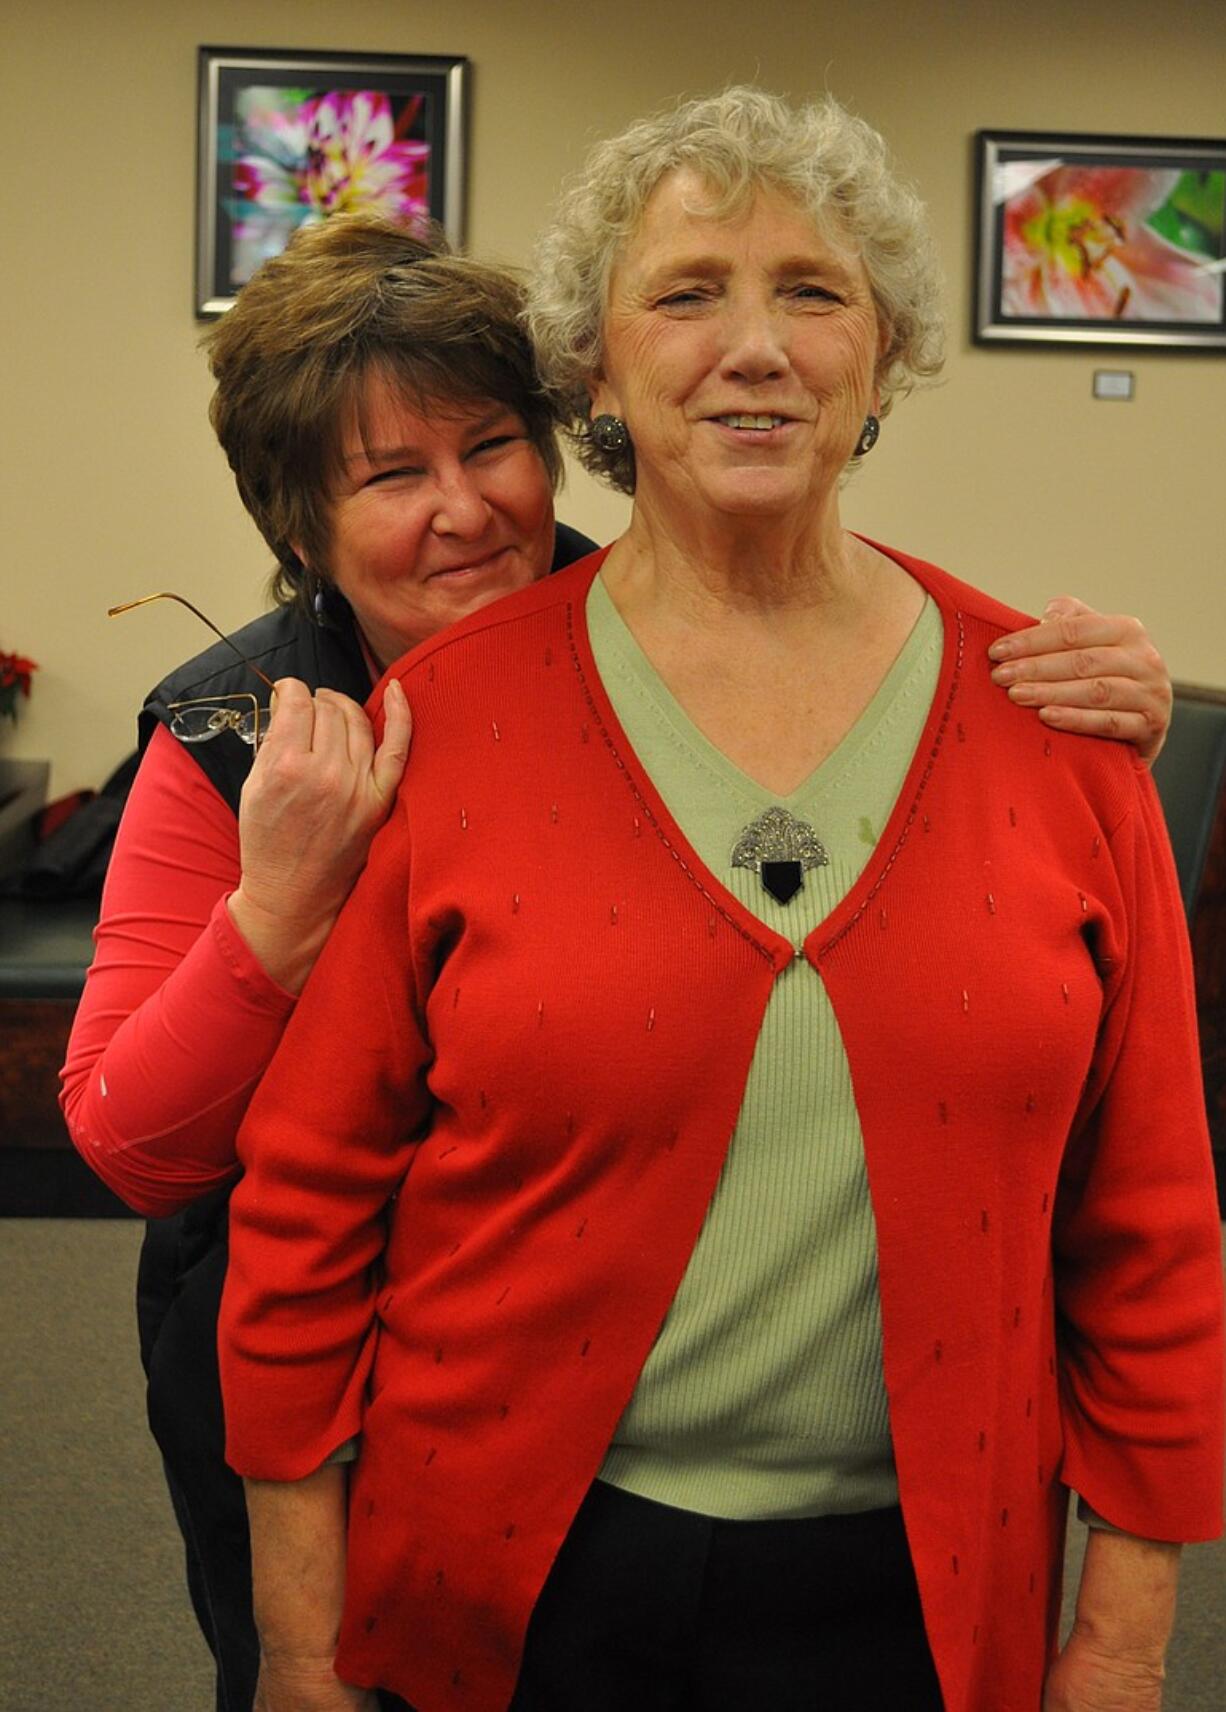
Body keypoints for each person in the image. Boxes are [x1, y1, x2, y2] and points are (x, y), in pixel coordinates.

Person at [60, 213, 1172, 1712]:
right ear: (300, 529)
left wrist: (1070, 756)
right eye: (392, 478)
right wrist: (276, 910)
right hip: (299, 1350)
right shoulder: (233, 728)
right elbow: (138, 1146)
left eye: (490, 448)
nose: (463, 510)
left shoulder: (635, 623)